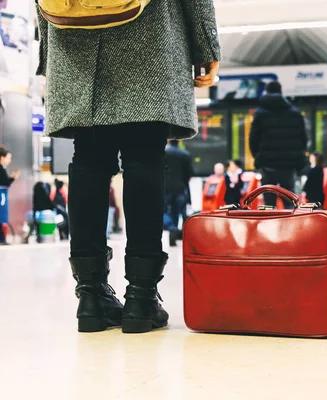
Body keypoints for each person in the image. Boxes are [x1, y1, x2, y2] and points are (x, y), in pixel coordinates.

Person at [36, 0, 221, 333]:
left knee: (89, 159)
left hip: (71, 32)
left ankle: (90, 296)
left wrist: (48, 44)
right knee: (144, 155)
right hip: (149, 31)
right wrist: (205, 42)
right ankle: (141, 296)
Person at [249, 81, 307, 209]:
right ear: (281, 92)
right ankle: (290, 227)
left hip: (268, 164)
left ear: (267, 92)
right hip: (288, 165)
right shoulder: (294, 113)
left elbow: (253, 139)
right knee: (290, 202)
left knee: (269, 205)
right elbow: (303, 139)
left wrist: (259, 156)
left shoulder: (260, 114)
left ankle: (271, 227)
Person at [164, 140, 193, 247]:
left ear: (168, 141)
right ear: (179, 141)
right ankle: (174, 233)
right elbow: (190, 174)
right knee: (177, 211)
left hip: (165, 189)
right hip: (181, 188)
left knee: (164, 211)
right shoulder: (185, 154)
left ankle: (172, 228)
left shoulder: (164, 152)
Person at [0, 146, 19, 245]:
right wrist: (13, 178)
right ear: (2, 158)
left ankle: (2, 239)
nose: (9, 161)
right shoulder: (1, 169)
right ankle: (2, 239)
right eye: (8, 158)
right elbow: (5, 182)